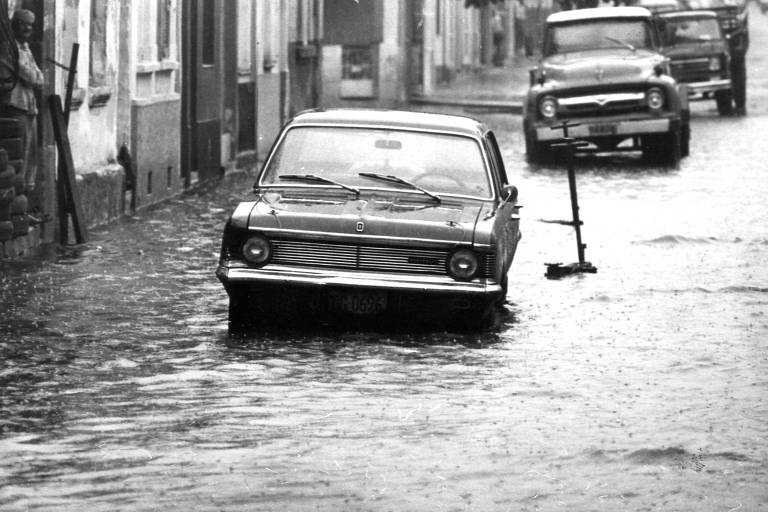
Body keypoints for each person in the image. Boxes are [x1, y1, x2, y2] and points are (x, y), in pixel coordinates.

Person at [0, 9, 44, 195]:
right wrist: (35, 77)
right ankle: (17, 198)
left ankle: (25, 197)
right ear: (14, 24)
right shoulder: (9, 49)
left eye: (30, 25)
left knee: (31, 153)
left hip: (29, 107)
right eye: (23, 23)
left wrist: (36, 77)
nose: (27, 28)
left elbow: (39, 76)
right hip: (16, 105)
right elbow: (30, 76)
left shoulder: (25, 48)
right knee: (19, 154)